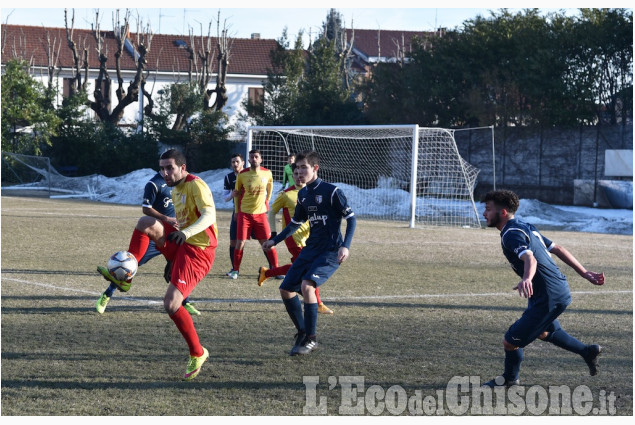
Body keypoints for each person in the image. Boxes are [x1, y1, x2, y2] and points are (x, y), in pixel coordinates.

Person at [97, 149, 217, 381]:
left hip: (199, 251)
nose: (165, 172)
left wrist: (188, 232)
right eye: (162, 168)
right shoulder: (175, 187)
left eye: (169, 167)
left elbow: (210, 215)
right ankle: (126, 276)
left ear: (182, 167)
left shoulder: (196, 184)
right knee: (145, 222)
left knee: (171, 304)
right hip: (182, 241)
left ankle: (198, 352)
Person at [481, 189, 605, 387]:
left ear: (502, 212)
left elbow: (529, 257)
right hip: (556, 290)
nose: (484, 213)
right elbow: (558, 248)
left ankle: (509, 379)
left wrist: (527, 278)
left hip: (548, 295)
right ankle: (587, 351)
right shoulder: (525, 226)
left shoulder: (510, 234)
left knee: (510, 342)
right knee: (543, 331)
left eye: (487, 209)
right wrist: (584, 272)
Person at [262, 151, 356, 356]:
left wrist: (345, 245)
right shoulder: (303, 194)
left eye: (303, 167)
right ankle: (303, 331)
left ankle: (311, 339)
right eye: (296, 169)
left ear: (315, 168)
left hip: (330, 250)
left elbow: (351, 219)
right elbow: (295, 223)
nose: (298, 172)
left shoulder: (332, 191)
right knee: (285, 289)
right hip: (310, 248)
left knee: (307, 285)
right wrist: (274, 240)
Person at [95, 171, 200, 316]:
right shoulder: (153, 184)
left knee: (179, 268)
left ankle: (185, 302)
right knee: (129, 266)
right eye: (165, 167)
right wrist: (167, 219)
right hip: (153, 235)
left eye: (171, 167)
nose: (168, 171)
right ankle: (107, 295)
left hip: (172, 235)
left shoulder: (178, 184)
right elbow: (146, 209)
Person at [259, 164, 333, 314]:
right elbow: (272, 212)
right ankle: (317, 303)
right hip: (294, 238)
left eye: (301, 172)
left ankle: (266, 273)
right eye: (295, 174)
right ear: (292, 176)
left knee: (299, 266)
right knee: (309, 269)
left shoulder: (311, 193)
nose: (299, 176)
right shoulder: (286, 194)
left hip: (310, 238)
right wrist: (274, 233)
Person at [230, 149, 279, 279]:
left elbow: (270, 188)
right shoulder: (242, 174)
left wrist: (267, 201)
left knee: (267, 242)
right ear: (249, 160)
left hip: (261, 214)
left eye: (256, 157)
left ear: (260, 159)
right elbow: (236, 193)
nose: (254, 159)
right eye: (251, 157)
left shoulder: (267, 173)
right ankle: (235, 270)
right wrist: (236, 210)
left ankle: (276, 269)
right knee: (240, 243)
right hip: (244, 214)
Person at [223, 153, 245, 277]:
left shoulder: (249, 174)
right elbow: (225, 197)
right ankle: (234, 269)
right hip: (236, 212)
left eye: (237, 161)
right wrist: (232, 195)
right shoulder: (229, 177)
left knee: (263, 241)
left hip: (252, 212)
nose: (235, 164)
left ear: (242, 162)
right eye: (233, 162)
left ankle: (273, 267)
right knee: (233, 242)